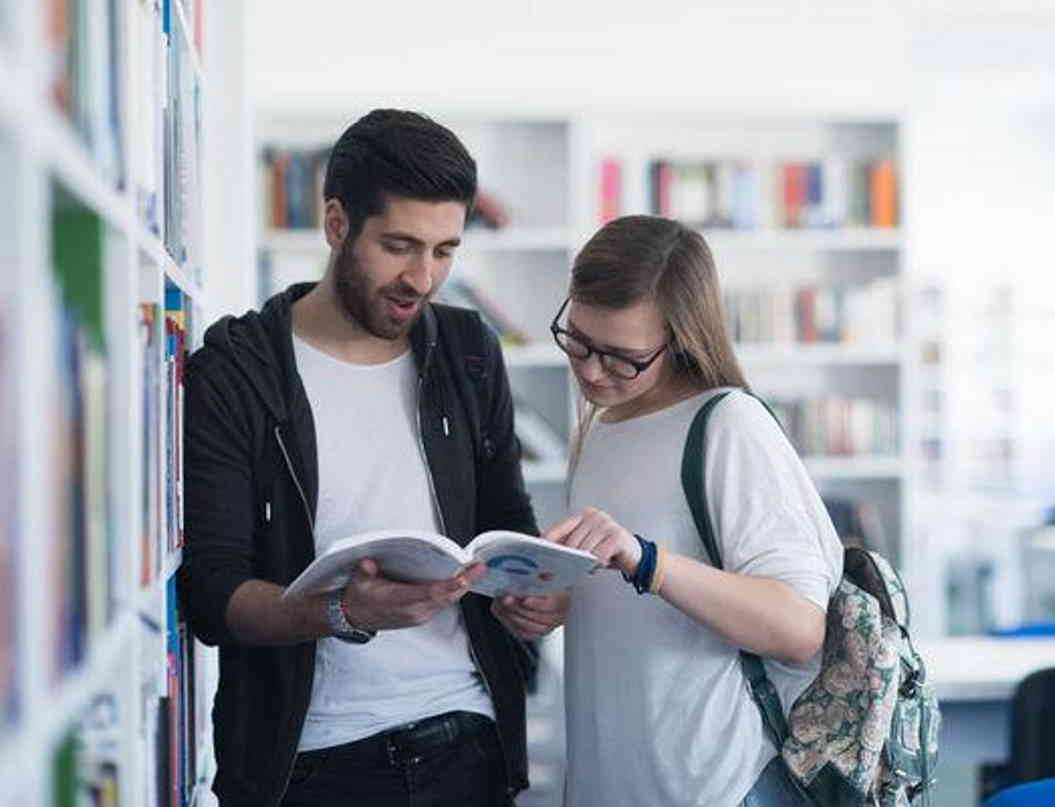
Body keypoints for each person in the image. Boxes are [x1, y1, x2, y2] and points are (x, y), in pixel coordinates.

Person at [181, 109, 566, 807]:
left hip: (469, 741)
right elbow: (213, 594)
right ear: (336, 223)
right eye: (399, 245)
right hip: (308, 763)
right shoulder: (237, 368)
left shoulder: (469, 349)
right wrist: (340, 612)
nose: (422, 278)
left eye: (445, 250)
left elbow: (509, 518)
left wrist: (534, 593)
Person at [546, 215, 844, 806]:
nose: (590, 370)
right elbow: (633, 610)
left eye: (622, 356)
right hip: (614, 782)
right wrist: (552, 601)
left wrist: (647, 561)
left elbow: (798, 628)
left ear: (681, 338)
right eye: (577, 339)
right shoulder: (602, 425)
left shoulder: (729, 424)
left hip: (713, 788)